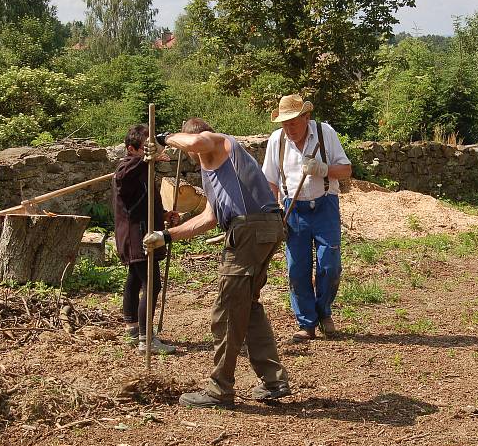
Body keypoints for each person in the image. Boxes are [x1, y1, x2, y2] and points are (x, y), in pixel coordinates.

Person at [143, 118, 291, 408]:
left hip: (249, 230)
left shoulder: (218, 142)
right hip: (262, 229)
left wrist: (162, 138)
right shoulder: (214, 170)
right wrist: (166, 235)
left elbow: (197, 142)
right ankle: (274, 380)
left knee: (225, 311)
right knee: (247, 305)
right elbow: (209, 218)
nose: (187, 152)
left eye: (186, 145)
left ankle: (219, 389)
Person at [262, 94, 352, 342]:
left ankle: (324, 312)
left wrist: (323, 169)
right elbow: (270, 180)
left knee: (329, 265)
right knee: (296, 269)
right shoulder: (276, 141)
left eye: (293, 122)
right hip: (293, 210)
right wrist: (273, 211)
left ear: (306, 117)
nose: (288, 128)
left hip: (325, 206)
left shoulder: (325, 134)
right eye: (284, 123)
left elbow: (346, 170)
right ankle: (306, 323)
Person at [112, 124, 179, 355]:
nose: (152, 152)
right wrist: (145, 160)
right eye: (146, 148)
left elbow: (142, 203)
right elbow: (123, 177)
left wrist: (163, 216)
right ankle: (146, 339)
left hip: (142, 231)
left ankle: (132, 329)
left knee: (134, 278)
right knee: (152, 284)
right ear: (132, 149)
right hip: (136, 236)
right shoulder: (126, 169)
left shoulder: (144, 171)